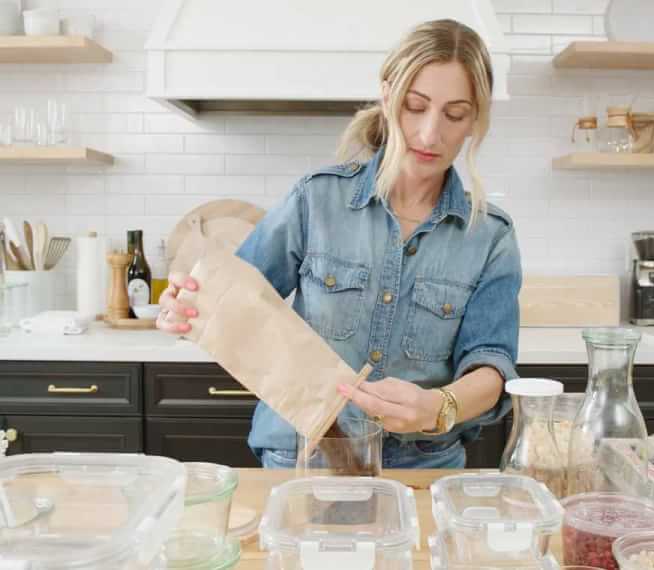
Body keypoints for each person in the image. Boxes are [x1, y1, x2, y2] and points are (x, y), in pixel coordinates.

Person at [157, 19, 522, 470]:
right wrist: (190, 303)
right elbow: (235, 299)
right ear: (388, 97)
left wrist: (437, 407)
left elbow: (491, 367)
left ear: (475, 121)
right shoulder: (315, 200)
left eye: (454, 114)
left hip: (421, 467)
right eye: (415, 106)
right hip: (302, 458)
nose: (431, 134)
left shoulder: (490, 236)